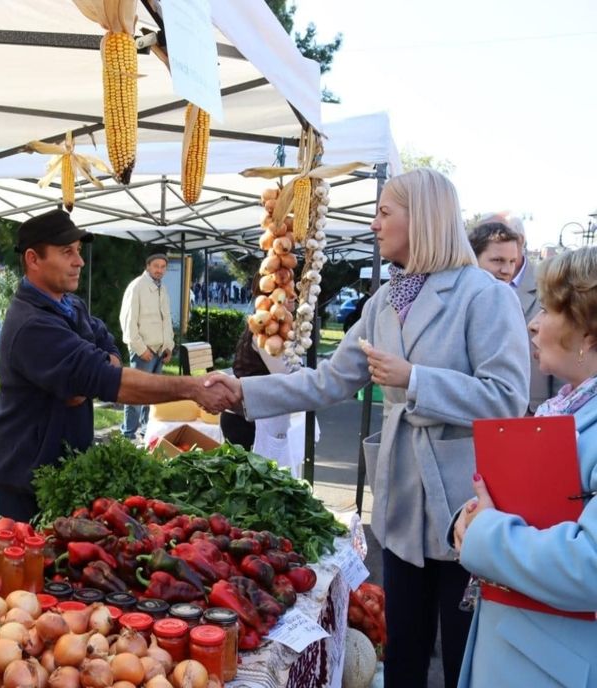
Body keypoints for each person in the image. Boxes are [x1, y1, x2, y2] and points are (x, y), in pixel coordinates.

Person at [206, 169, 529, 688]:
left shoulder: (484, 296)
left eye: (384, 212)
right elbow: (330, 380)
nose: (374, 223)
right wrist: (245, 392)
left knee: (465, 656)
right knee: (401, 653)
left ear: (421, 218)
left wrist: (415, 380)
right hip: (402, 504)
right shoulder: (385, 301)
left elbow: (508, 399)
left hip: (466, 507)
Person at [0, 209, 236, 522]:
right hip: (22, 479)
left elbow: (108, 350)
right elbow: (110, 380)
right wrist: (192, 388)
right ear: (33, 259)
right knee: (25, 567)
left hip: (63, 471)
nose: (80, 261)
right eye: (67, 252)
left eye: (78, 251)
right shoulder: (31, 324)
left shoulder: (71, 304)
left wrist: (92, 376)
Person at [451, 246, 597, 687]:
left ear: (590, 336)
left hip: (550, 665)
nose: (533, 322)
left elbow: (589, 565)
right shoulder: (565, 408)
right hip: (531, 653)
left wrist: (483, 532)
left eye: (550, 309)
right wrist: (469, 517)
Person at [479, 213, 560, 413]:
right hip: (478, 416)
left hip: (532, 416)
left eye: (497, 235)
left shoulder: (551, 289)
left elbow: (566, 362)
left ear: (519, 241)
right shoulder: (472, 291)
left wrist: (555, 419)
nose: (504, 269)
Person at [119, 253, 174, 440]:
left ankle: (146, 431)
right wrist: (141, 349)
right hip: (143, 351)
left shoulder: (163, 289)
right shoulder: (137, 287)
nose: (159, 270)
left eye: (163, 267)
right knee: (136, 394)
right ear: (148, 266)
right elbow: (128, 322)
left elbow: (166, 320)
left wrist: (169, 346)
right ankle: (128, 434)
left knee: (152, 395)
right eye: (156, 266)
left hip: (160, 351)